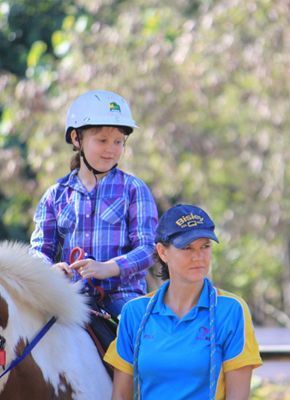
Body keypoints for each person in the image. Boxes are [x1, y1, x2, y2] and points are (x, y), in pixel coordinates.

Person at [104, 204, 262, 400]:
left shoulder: (231, 310)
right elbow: (120, 395)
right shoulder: (135, 313)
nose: (198, 257)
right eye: (187, 248)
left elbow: (238, 396)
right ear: (163, 252)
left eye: (205, 246)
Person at [30, 89, 158, 317]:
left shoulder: (134, 189)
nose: (111, 149)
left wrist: (109, 268)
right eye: (102, 140)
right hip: (70, 296)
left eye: (118, 141)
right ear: (76, 139)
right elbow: (39, 250)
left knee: (144, 339)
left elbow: (148, 249)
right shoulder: (55, 195)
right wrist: (50, 269)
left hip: (124, 298)